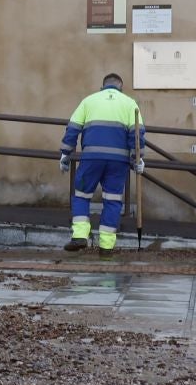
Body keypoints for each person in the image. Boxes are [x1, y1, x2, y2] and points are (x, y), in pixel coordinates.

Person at [59, 73, 145, 257]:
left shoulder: (89, 101)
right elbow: (137, 136)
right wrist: (137, 160)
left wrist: (66, 154)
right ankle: (106, 247)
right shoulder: (130, 104)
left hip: (91, 158)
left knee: (81, 195)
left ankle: (80, 236)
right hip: (118, 162)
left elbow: (73, 128)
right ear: (120, 87)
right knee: (113, 201)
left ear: (102, 87)